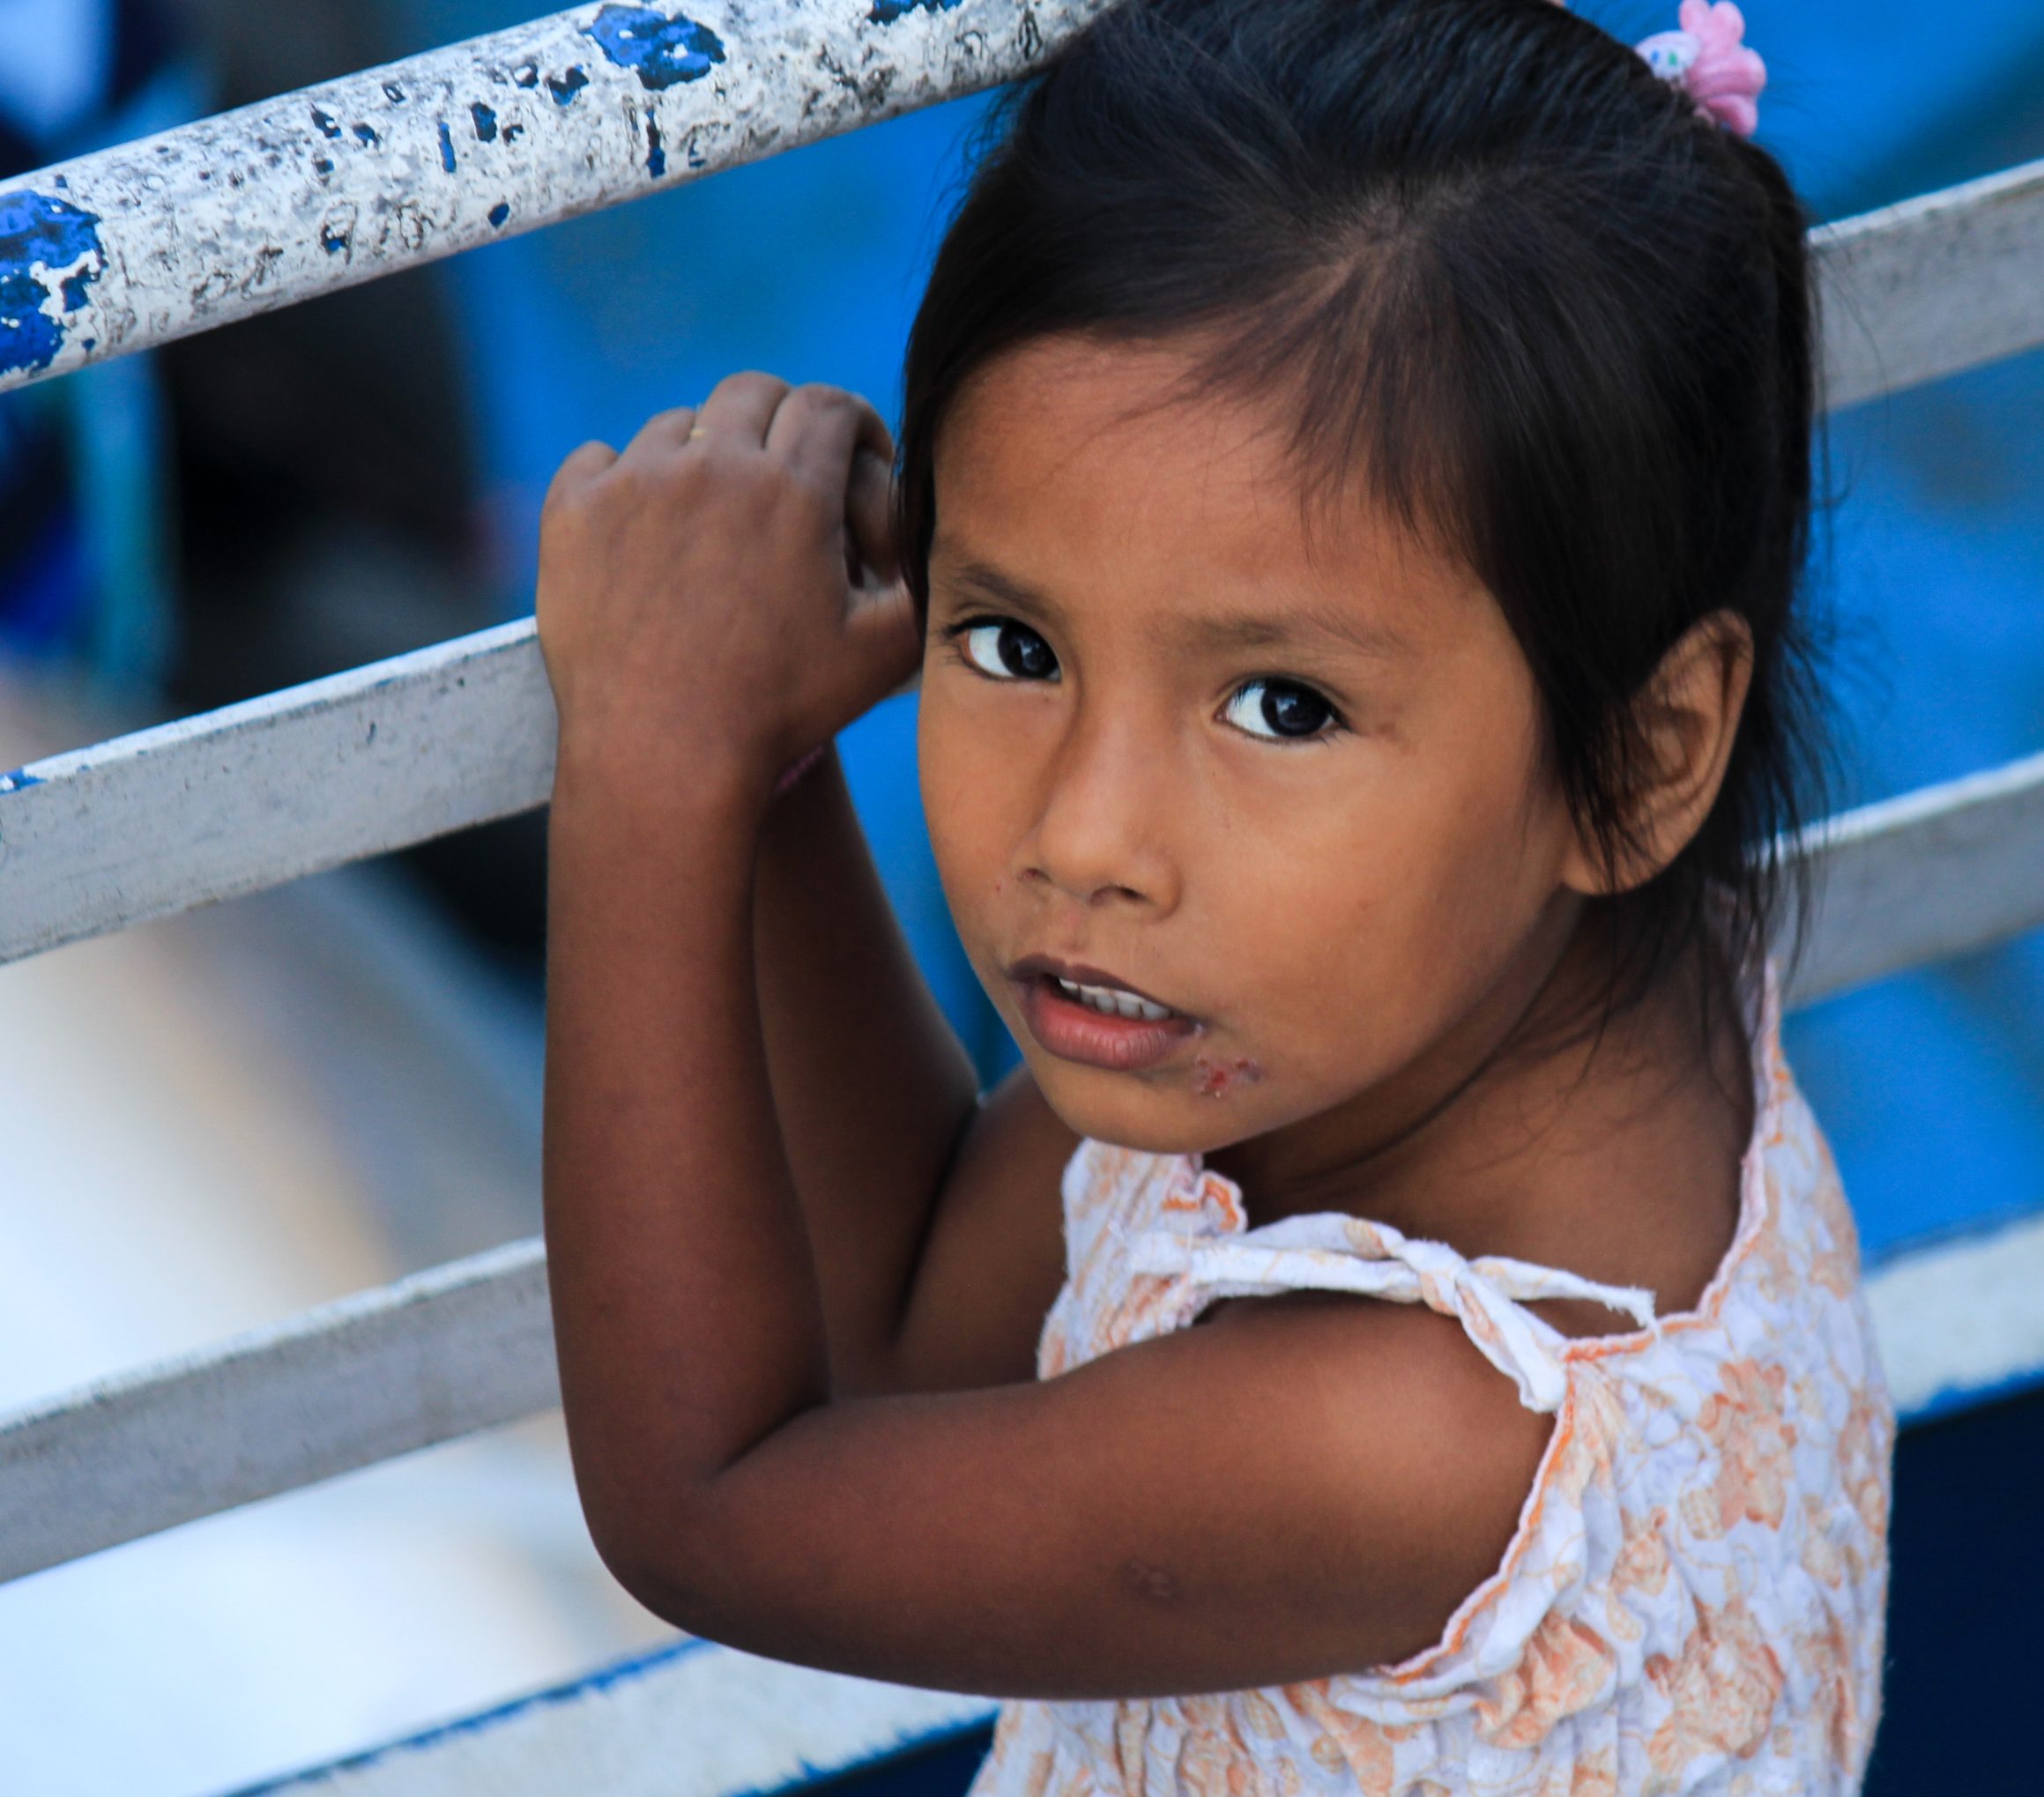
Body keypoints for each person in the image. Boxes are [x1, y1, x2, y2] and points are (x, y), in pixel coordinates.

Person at [531, 1, 1893, 1790]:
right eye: (1009, 643)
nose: (1086, 838)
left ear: (1643, 760)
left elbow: (711, 1508)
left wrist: (647, 770)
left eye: (1282, 707)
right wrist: (773, 768)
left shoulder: (1401, 1429)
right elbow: (912, 1334)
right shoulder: (1410, 1000)